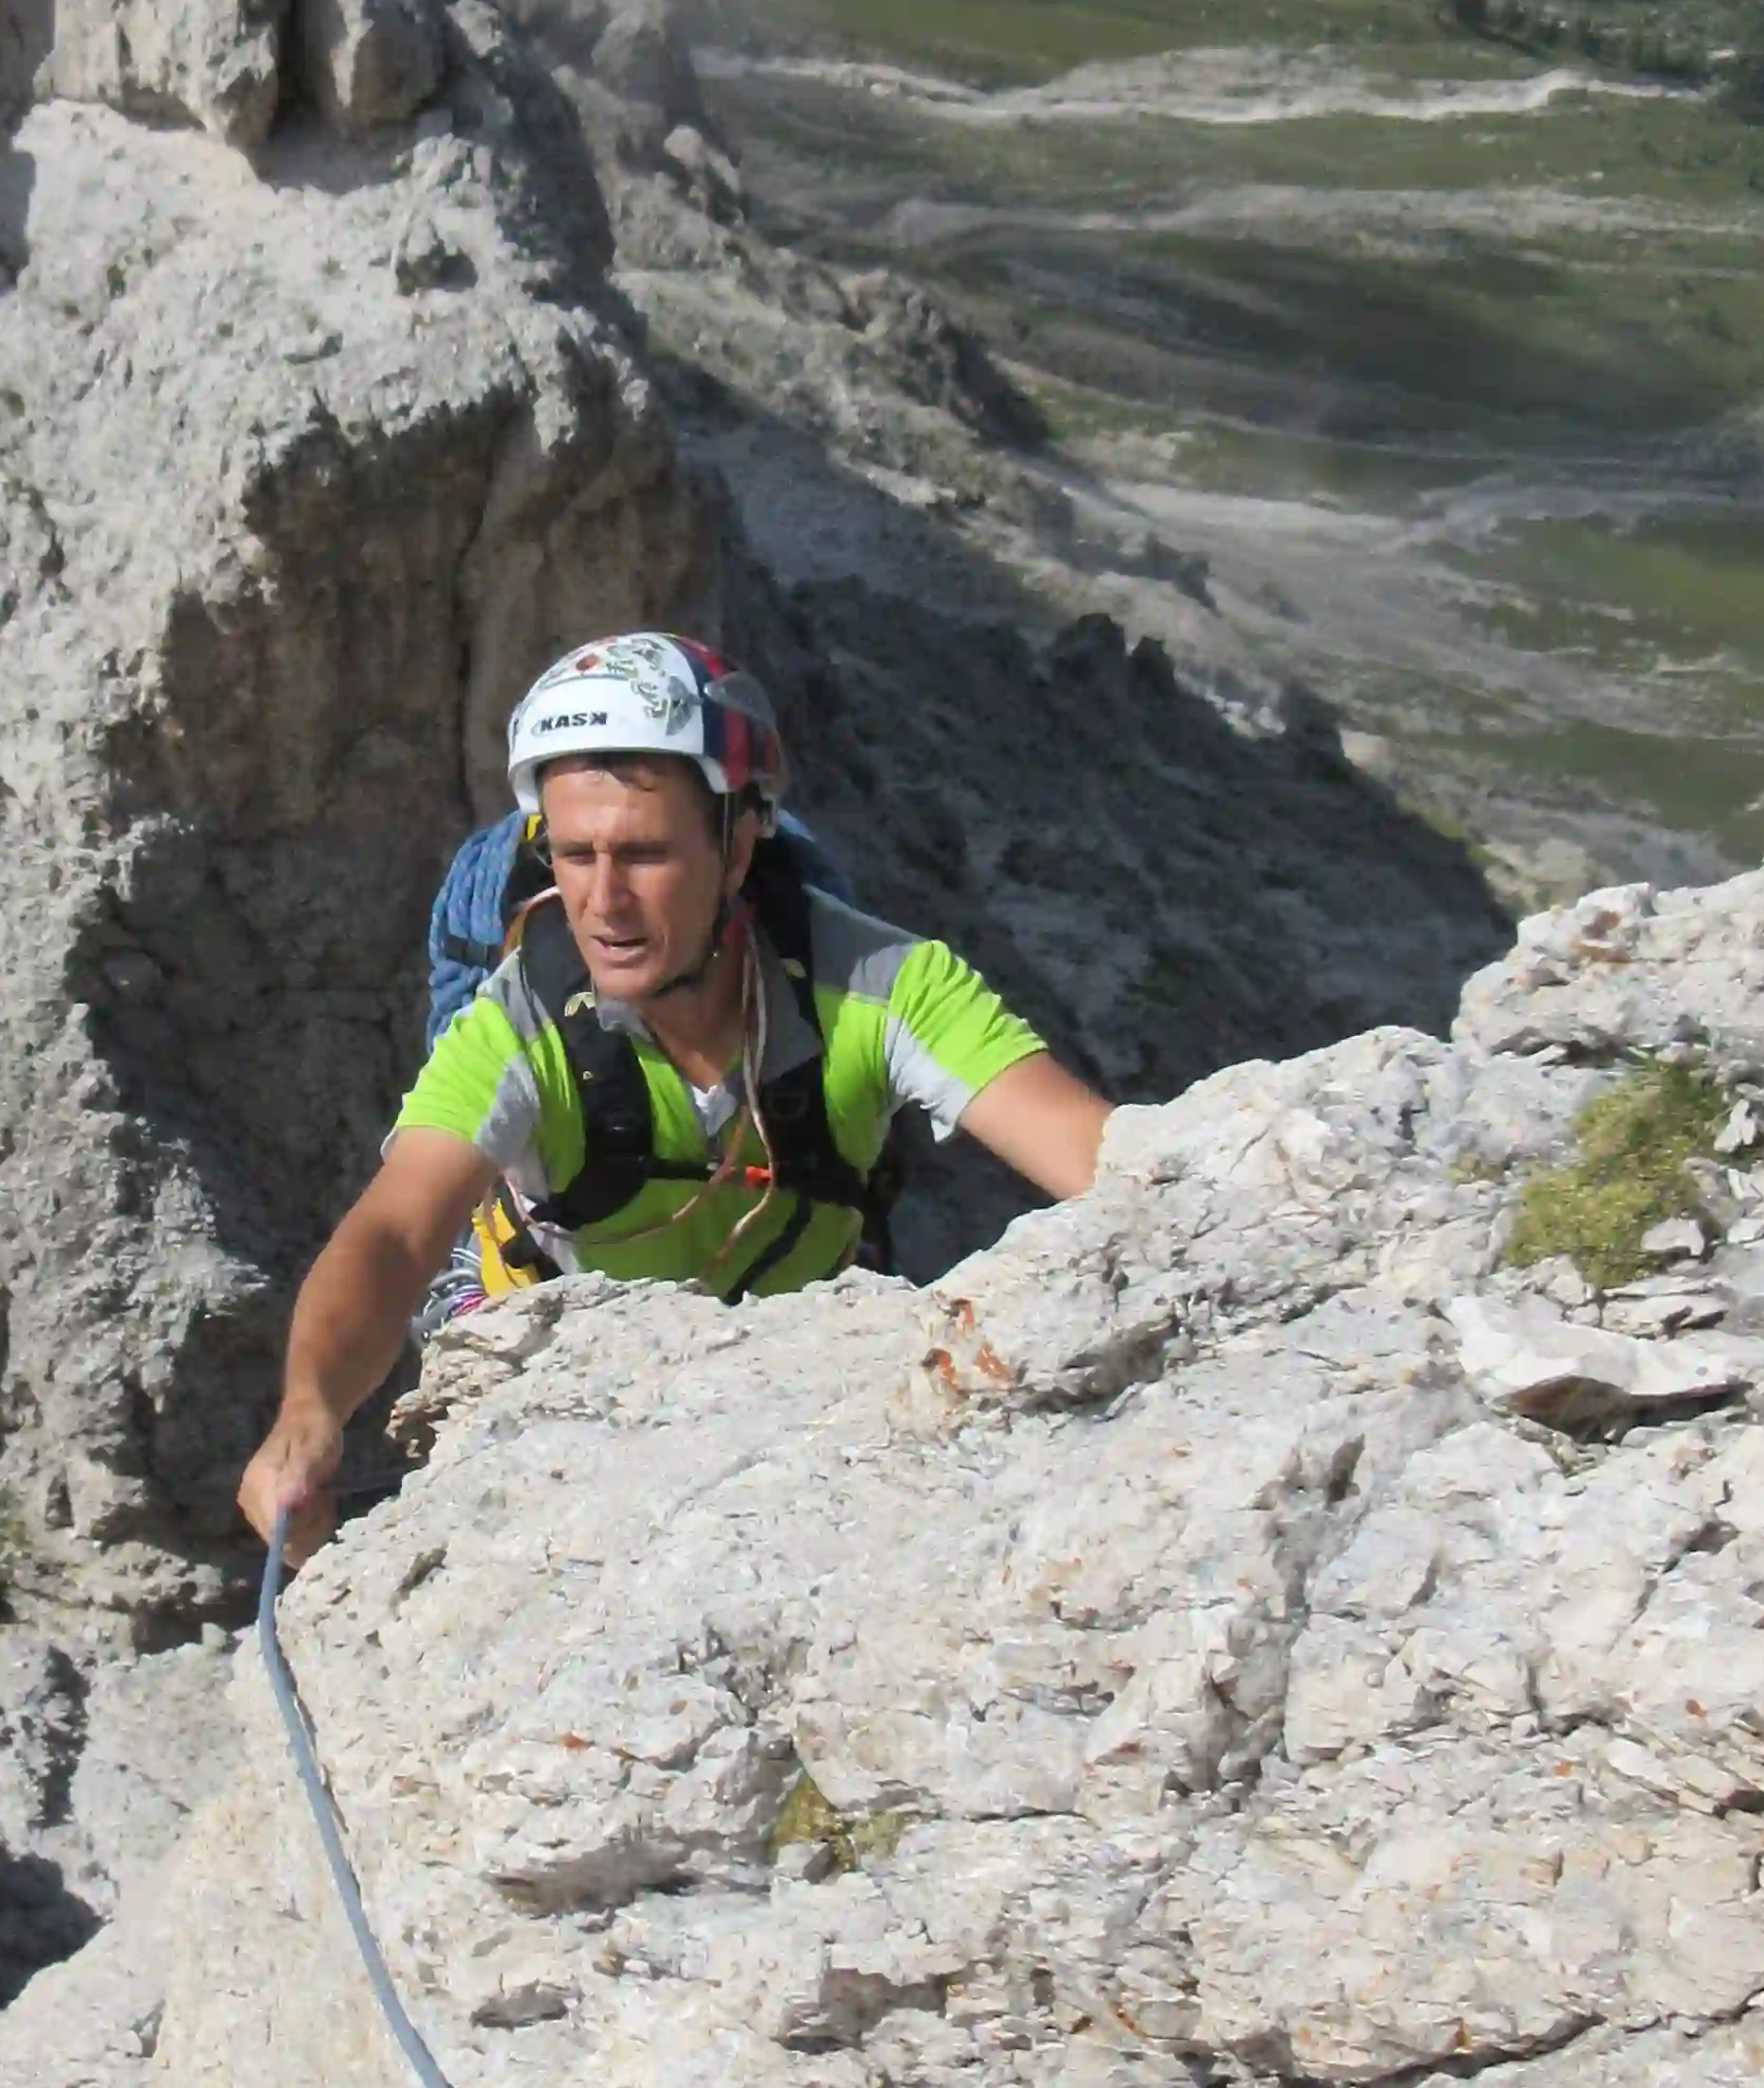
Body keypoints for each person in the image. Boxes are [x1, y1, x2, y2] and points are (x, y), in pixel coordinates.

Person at [237, 631, 1111, 1563]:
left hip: (787, 1392)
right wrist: (310, 1407)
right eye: (573, 855)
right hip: (552, 1380)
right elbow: (398, 1229)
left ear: (738, 847)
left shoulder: (887, 987)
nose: (603, 901)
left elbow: (1095, 1154)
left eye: (644, 855)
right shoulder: (518, 1024)